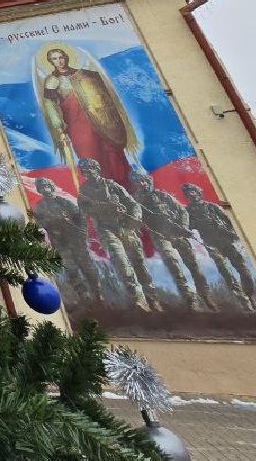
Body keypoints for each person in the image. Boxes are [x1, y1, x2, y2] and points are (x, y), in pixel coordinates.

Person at [37, 46, 139, 189]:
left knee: (112, 153)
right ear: (50, 62)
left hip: (102, 121)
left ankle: (127, 186)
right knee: (91, 155)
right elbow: (50, 105)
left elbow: (104, 100)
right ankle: (104, 192)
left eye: (60, 57)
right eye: (54, 59)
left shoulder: (85, 75)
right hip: (77, 124)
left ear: (66, 57)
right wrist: (58, 126)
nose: (59, 61)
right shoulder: (52, 81)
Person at [77, 158, 162, 312]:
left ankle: (152, 298)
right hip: (106, 229)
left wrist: (134, 218)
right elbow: (83, 213)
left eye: (90, 168)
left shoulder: (112, 186)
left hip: (125, 226)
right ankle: (138, 300)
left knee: (138, 263)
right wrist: (97, 210)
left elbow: (132, 204)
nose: (87, 172)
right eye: (84, 170)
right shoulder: (84, 192)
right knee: (121, 262)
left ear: (96, 169)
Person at [130, 172, 212, 311]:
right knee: (172, 264)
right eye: (138, 182)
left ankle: (205, 295)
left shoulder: (163, 196)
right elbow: (133, 217)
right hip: (159, 235)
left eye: (144, 181)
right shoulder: (135, 201)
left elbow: (182, 211)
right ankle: (190, 298)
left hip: (177, 232)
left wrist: (184, 227)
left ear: (148, 181)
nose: (142, 184)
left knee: (193, 266)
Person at [181, 183, 256, 311]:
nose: (191, 194)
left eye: (193, 191)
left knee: (244, 270)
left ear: (198, 192)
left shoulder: (212, 207)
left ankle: (250, 296)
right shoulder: (188, 212)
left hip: (226, 241)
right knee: (225, 271)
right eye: (188, 193)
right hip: (211, 244)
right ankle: (243, 301)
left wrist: (235, 235)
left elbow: (229, 221)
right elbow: (187, 227)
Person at [30, 177, 103, 304]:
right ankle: (84, 296)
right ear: (39, 190)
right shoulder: (40, 207)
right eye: (42, 187)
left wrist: (82, 232)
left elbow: (79, 217)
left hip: (76, 240)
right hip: (60, 243)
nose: (45, 189)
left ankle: (97, 293)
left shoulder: (63, 202)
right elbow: (40, 224)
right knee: (71, 270)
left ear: (52, 187)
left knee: (88, 268)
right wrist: (50, 223)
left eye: (47, 186)